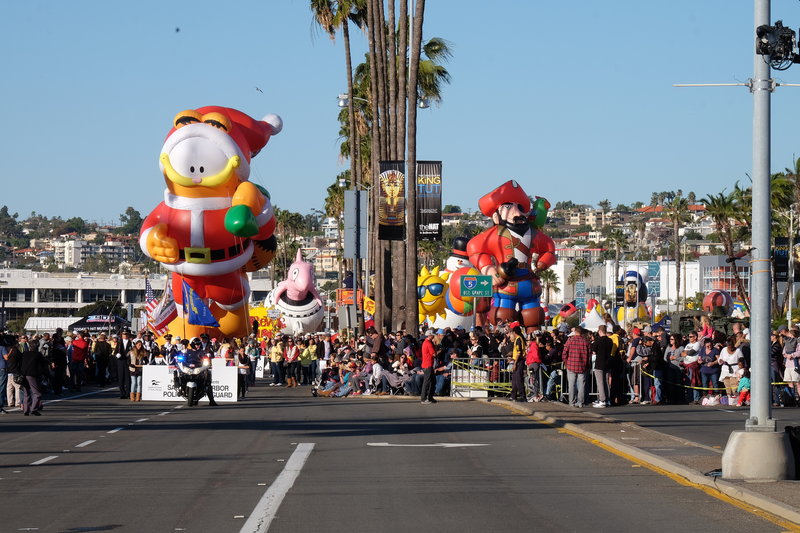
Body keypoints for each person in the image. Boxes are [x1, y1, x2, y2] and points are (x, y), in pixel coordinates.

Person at [563, 327, 591, 408]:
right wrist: (587, 365)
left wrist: (565, 362)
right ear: (582, 333)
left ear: (575, 332)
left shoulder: (570, 341)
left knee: (571, 385)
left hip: (571, 365)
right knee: (582, 384)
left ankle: (572, 402)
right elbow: (589, 355)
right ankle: (580, 402)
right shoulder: (586, 341)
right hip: (582, 366)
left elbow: (564, 352)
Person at [18, 341, 47, 416]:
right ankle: (33, 409)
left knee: (26, 393)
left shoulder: (24, 354)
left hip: (23, 374)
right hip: (32, 374)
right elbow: (43, 364)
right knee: (37, 393)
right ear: (37, 346)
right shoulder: (38, 354)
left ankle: (26, 410)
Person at [592, 325, 613, 408]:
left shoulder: (598, 340)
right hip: (607, 363)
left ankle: (602, 400)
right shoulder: (610, 340)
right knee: (606, 382)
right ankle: (607, 399)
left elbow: (593, 350)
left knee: (600, 383)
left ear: (599, 331)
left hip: (599, 363)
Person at [718, 337, 743, 403]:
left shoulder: (738, 351)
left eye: (731, 346)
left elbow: (741, 360)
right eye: (728, 346)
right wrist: (720, 360)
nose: (730, 348)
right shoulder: (724, 350)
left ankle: (736, 398)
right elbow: (720, 358)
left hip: (735, 370)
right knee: (727, 384)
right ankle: (729, 398)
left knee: (734, 384)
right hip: (725, 370)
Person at [509, 326, 527, 402]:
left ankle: (523, 396)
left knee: (518, 379)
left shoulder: (519, 339)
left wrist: (515, 363)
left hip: (519, 361)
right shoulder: (517, 339)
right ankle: (513, 395)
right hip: (517, 360)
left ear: (514, 332)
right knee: (515, 379)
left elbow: (519, 353)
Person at [114, 330, 133, 399]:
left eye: (126, 334)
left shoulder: (131, 343)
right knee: (121, 377)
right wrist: (117, 355)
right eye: (123, 335)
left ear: (128, 335)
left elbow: (133, 351)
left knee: (128, 378)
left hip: (128, 361)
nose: (125, 336)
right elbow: (115, 351)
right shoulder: (119, 343)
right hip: (120, 361)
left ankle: (128, 393)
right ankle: (122, 393)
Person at [420, 329, 438, 404]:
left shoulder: (426, 342)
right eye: (432, 335)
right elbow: (434, 354)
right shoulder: (428, 343)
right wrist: (438, 351)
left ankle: (430, 397)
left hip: (427, 364)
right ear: (429, 335)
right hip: (428, 365)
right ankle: (423, 399)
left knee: (432, 381)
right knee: (427, 382)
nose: (433, 336)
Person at [525, 332, 544, 402]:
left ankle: (535, 395)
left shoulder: (533, 345)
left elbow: (535, 355)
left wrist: (539, 361)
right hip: (532, 363)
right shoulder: (533, 345)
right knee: (533, 379)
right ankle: (535, 394)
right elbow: (535, 355)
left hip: (533, 363)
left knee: (533, 379)